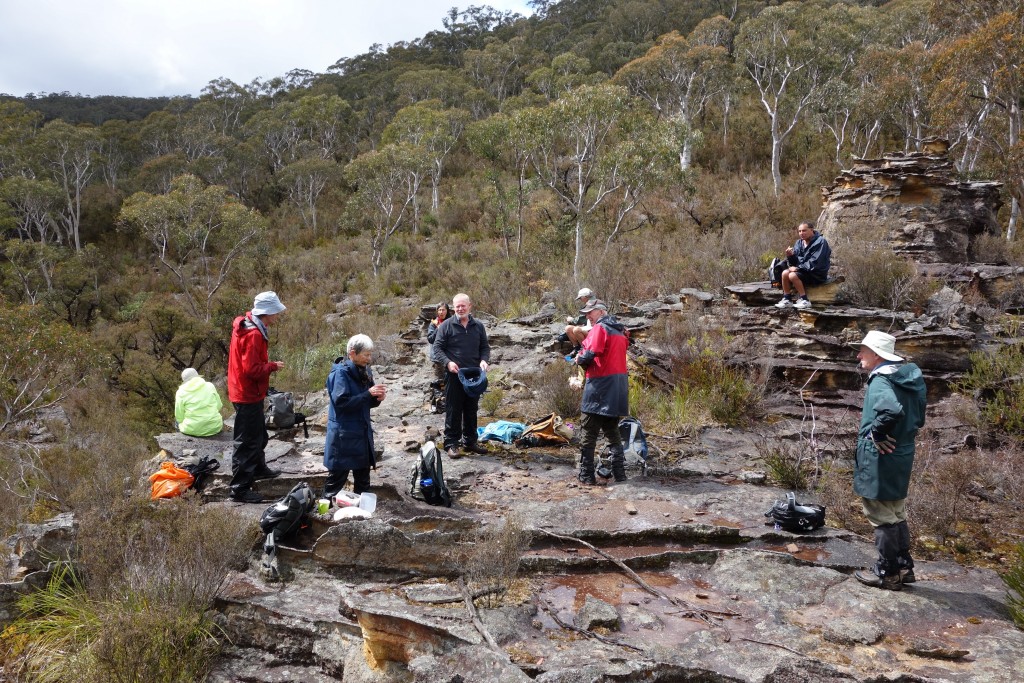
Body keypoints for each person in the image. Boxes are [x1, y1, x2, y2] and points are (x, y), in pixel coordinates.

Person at [851, 330, 927, 591]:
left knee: (881, 515)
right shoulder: (909, 378)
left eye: (863, 350)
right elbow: (918, 417)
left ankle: (887, 572)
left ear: (876, 355)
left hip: (880, 458)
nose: (859, 355)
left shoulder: (881, 382)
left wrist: (876, 432)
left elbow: (891, 410)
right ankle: (904, 567)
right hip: (902, 454)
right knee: (896, 512)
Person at [227, 291, 286, 503]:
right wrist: (271, 367)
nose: (277, 315)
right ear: (267, 312)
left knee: (259, 435)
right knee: (247, 442)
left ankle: (259, 469)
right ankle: (239, 489)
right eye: (275, 312)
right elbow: (251, 369)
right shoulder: (253, 334)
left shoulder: (248, 324)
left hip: (247, 390)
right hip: (246, 393)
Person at [323, 334, 387, 500]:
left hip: (362, 433)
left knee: (364, 483)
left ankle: (363, 519)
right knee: (335, 483)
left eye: (369, 354)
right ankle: (323, 516)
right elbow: (341, 404)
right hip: (343, 436)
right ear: (352, 353)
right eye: (366, 354)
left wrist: (377, 398)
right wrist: (368, 394)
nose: (369, 358)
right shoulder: (340, 374)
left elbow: (366, 401)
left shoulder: (365, 370)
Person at [574, 300, 630, 485]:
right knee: (612, 431)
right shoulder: (621, 330)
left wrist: (578, 358)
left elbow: (590, 354)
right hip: (618, 386)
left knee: (588, 432)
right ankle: (620, 476)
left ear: (601, 311)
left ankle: (586, 476)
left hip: (600, 385)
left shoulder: (600, 329)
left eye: (591, 312)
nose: (588, 315)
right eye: (586, 312)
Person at [432, 292, 490, 458]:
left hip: (474, 375)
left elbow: (484, 348)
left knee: (471, 408)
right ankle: (451, 443)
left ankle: (470, 441)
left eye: (463, 305)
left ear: (469, 306)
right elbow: (437, 348)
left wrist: (484, 360)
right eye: (457, 306)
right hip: (454, 374)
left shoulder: (478, 326)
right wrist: (448, 362)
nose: (460, 308)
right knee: (453, 408)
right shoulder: (446, 326)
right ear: (453, 308)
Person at [775, 222, 831, 310]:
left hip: (816, 273)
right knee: (785, 273)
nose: (801, 233)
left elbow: (816, 262)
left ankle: (804, 300)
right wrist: (791, 256)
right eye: (800, 231)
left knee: (792, 275)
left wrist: (797, 268)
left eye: (804, 230)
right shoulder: (799, 243)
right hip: (804, 271)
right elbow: (795, 262)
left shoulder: (821, 242)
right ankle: (787, 299)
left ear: (811, 230)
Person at [174, 368, 224, 437]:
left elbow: (179, 417)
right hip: (215, 427)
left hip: (192, 429)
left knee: (177, 422)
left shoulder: (180, 392)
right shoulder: (210, 386)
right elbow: (219, 406)